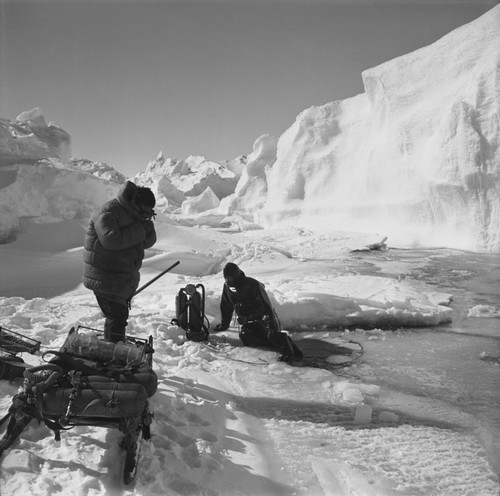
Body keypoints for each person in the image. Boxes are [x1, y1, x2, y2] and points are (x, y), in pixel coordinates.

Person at [82, 181, 157, 343]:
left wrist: (147, 229)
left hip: (118, 276)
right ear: (134, 203)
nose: (145, 216)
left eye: (148, 214)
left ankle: (112, 350)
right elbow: (111, 240)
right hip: (104, 275)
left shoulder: (132, 213)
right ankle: (113, 354)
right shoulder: (109, 212)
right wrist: (141, 229)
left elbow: (145, 241)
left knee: (117, 316)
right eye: (143, 212)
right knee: (117, 316)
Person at [214, 263, 303, 362]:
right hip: (248, 322)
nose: (228, 280)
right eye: (227, 277)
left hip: (263, 318)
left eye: (231, 277)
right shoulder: (227, 287)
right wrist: (224, 324)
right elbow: (226, 306)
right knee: (246, 336)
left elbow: (266, 307)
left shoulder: (253, 285)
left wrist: (269, 325)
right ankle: (284, 344)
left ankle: (289, 352)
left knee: (272, 335)